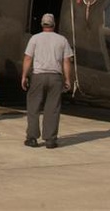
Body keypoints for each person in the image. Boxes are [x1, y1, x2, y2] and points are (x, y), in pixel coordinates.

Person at [21, 13, 73, 149]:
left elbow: (28, 58)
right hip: (55, 77)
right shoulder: (62, 40)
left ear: (42, 24)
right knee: (52, 109)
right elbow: (66, 61)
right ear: (54, 24)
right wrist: (67, 79)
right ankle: (50, 140)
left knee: (33, 107)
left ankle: (32, 138)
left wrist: (24, 76)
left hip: (38, 75)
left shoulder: (35, 39)